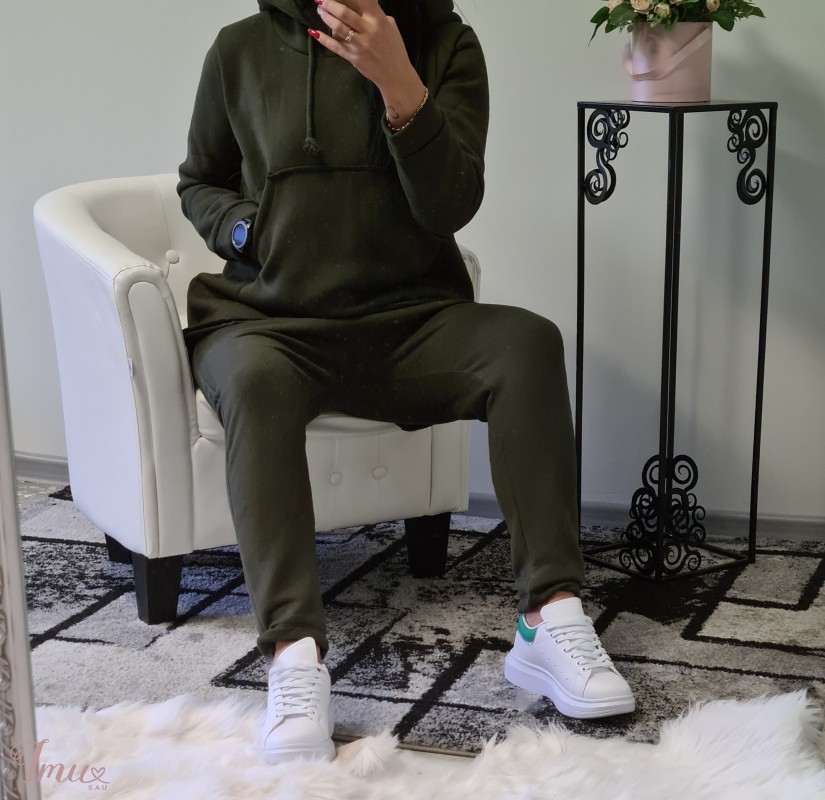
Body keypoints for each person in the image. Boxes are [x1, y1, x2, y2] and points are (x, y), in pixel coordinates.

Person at [178, 0, 634, 766]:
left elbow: (451, 204)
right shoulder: (241, 48)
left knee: (526, 344)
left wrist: (400, 86)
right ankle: (293, 657)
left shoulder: (445, 42)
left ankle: (549, 619)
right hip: (271, 322)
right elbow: (201, 181)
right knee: (253, 380)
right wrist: (247, 230)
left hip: (408, 321)